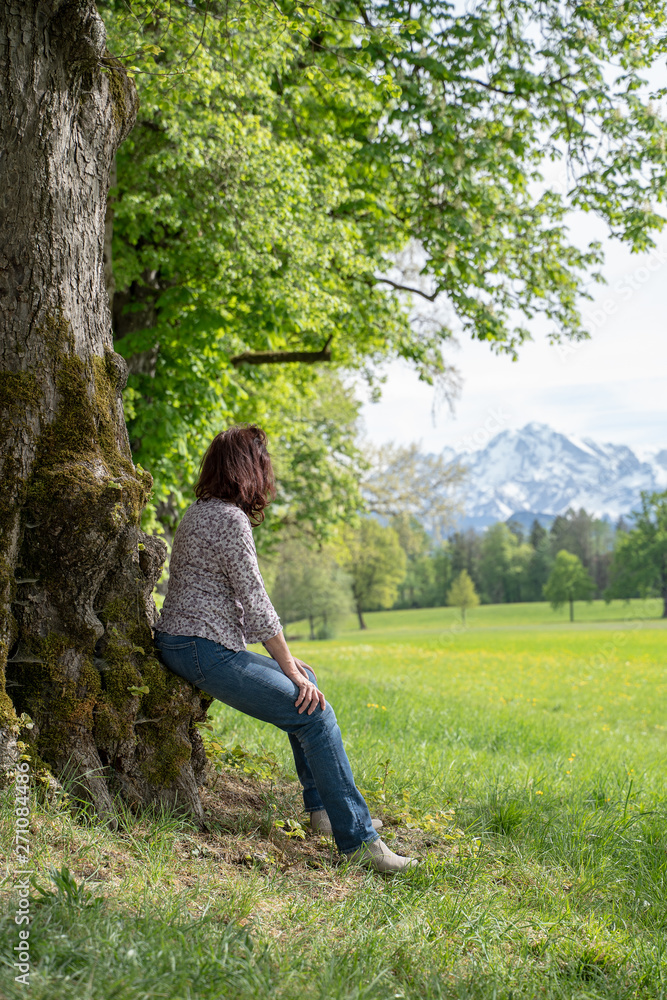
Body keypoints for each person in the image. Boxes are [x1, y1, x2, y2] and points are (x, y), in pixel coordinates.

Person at [154, 424, 416, 874]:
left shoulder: (199, 511)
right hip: (200, 648)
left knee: (307, 683)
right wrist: (287, 668)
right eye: (264, 461)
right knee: (315, 712)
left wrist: (294, 666)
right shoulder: (229, 520)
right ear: (248, 469)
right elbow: (256, 602)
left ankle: (322, 812)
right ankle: (358, 842)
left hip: (186, 641)